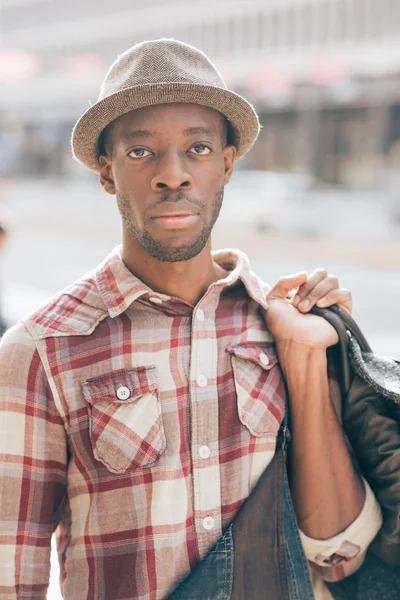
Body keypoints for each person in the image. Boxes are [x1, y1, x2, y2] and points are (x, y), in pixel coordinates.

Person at [0, 39, 382, 600]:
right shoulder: (39, 350)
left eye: (198, 148)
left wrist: (303, 357)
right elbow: (12, 578)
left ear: (226, 164)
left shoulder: (280, 328)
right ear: (106, 173)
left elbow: (337, 557)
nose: (172, 175)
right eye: (140, 153)